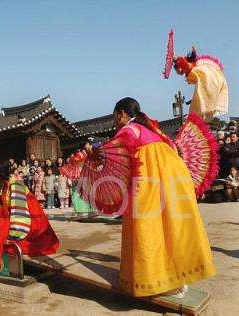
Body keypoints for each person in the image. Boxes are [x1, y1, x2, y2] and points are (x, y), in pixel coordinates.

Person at [88, 97, 216, 297]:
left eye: (115, 116)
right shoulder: (152, 129)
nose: (114, 121)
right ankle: (179, 278)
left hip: (151, 181)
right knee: (173, 225)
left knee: (150, 226)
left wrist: (91, 151)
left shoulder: (129, 130)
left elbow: (111, 150)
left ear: (121, 113)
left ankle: (163, 282)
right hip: (174, 177)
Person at [0, 160, 59, 273]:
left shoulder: (16, 185)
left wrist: (13, 234)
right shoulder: (1, 185)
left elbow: (20, 213)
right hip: (11, 216)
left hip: (29, 220)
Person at [173, 47, 228, 121]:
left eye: (177, 71)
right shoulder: (190, 66)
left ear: (179, 67)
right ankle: (202, 114)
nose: (177, 73)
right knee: (202, 100)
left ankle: (199, 115)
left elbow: (183, 62)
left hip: (208, 80)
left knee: (200, 102)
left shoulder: (186, 65)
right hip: (213, 79)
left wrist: (176, 59)